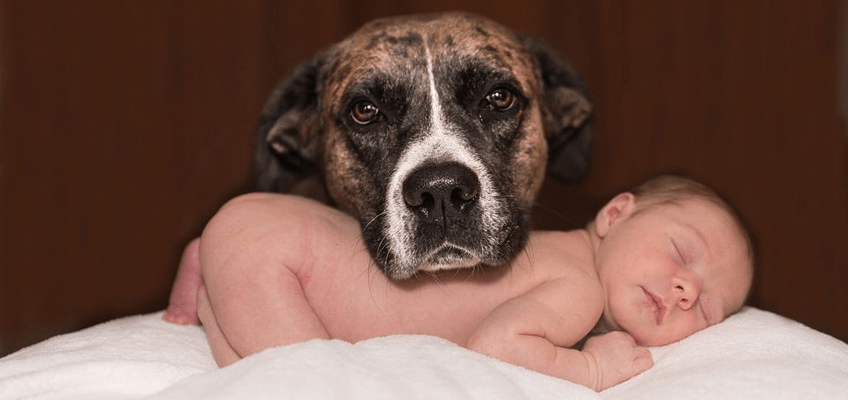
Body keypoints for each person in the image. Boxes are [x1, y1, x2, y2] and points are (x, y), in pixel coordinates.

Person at [163, 175, 754, 391]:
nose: (683, 290)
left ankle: (213, 261)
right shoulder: (580, 287)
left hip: (266, 229)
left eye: (705, 308)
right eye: (681, 253)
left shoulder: (562, 259)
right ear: (615, 214)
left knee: (247, 331)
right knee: (305, 378)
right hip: (282, 262)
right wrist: (590, 371)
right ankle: (222, 260)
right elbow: (497, 348)